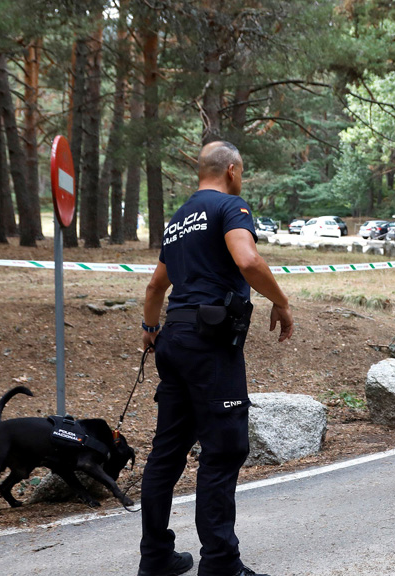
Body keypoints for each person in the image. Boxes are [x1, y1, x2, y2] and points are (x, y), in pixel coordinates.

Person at [138, 141, 294, 576]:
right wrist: (281, 301)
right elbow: (248, 260)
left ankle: (155, 558)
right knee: (224, 449)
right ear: (231, 170)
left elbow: (155, 287)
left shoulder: (178, 219)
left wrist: (150, 329)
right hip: (209, 345)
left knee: (166, 454)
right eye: (241, 172)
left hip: (173, 340)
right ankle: (221, 564)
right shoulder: (230, 207)